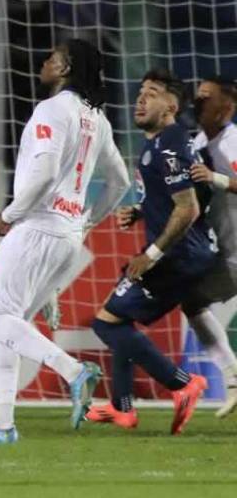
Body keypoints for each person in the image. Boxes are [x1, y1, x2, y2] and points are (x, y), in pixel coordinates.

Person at [0, 40, 129, 444]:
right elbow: (121, 183)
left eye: (52, 55)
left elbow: (43, 174)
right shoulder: (97, 119)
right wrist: (88, 222)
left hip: (38, 226)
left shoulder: (52, 109)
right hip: (68, 234)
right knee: (7, 325)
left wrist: (7, 216)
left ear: (67, 66)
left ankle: (73, 371)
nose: (45, 60)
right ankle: (3, 425)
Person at [88, 68, 214, 434]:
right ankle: (122, 407)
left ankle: (182, 383)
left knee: (105, 322)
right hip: (179, 253)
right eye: (141, 91)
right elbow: (194, 194)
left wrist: (152, 255)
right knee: (119, 317)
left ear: (172, 106)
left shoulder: (171, 143)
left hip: (178, 257)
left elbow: (188, 208)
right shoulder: (162, 142)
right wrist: (143, 210)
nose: (141, 98)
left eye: (153, 93)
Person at [186, 75, 237, 417]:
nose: (198, 102)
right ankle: (233, 380)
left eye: (207, 98)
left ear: (227, 107)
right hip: (231, 254)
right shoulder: (197, 143)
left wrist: (215, 178)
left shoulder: (233, 142)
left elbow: (215, 180)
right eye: (197, 96)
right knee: (191, 300)